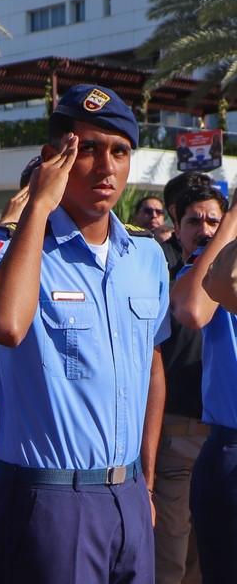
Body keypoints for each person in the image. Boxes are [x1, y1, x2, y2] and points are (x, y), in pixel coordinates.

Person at [0, 84, 169, 584]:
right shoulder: (10, 250)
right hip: (49, 500)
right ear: (53, 156)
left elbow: (152, 364)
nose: (106, 167)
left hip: (128, 496)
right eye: (88, 149)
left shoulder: (145, 257)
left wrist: (145, 479)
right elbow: (5, 325)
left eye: (119, 151)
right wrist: (37, 205)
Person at [152, 185, 226, 584]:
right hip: (176, 435)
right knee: (170, 558)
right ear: (176, 227)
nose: (205, 229)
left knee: (209, 556)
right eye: (194, 221)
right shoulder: (163, 279)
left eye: (214, 219)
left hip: (223, 439)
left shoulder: (230, 278)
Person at [171, 187, 237, 584]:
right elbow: (192, 309)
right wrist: (231, 219)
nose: (204, 229)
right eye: (195, 221)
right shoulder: (218, 261)